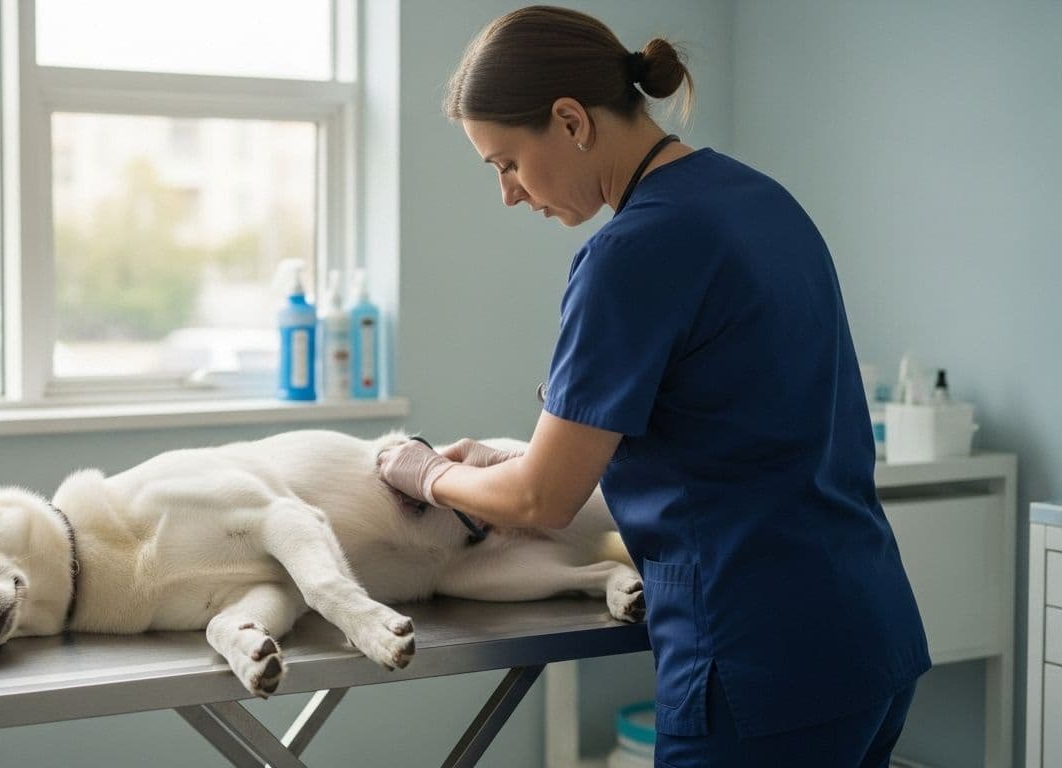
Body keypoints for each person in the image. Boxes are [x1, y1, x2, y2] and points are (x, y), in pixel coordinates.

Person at [376, 6, 930, 766]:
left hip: (757, 661)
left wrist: (426, 472)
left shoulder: (631, 255)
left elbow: (545, 499)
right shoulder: (760, 200)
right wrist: (506, 469)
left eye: (504, 162)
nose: (507, 193)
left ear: (570, 121)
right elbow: (728, 438)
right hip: (867, 634)